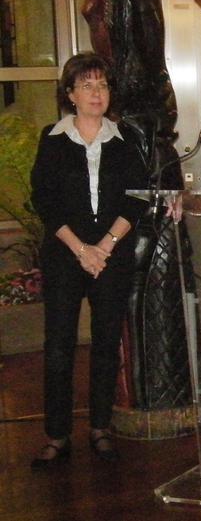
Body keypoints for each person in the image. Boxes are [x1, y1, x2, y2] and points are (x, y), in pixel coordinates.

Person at [30, 52, 148, 468]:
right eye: (87, 85)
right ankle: (57, 434)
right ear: (70, 94)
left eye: (102, 85)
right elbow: (44, 200)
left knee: (106, 344)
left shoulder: (125, 139)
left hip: (112, 256)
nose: (97, 93)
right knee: (59, 346)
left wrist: (105, 246)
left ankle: (101, 428)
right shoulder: (52, 138)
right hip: (66, 255)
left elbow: (136, 198)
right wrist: (82, 249)